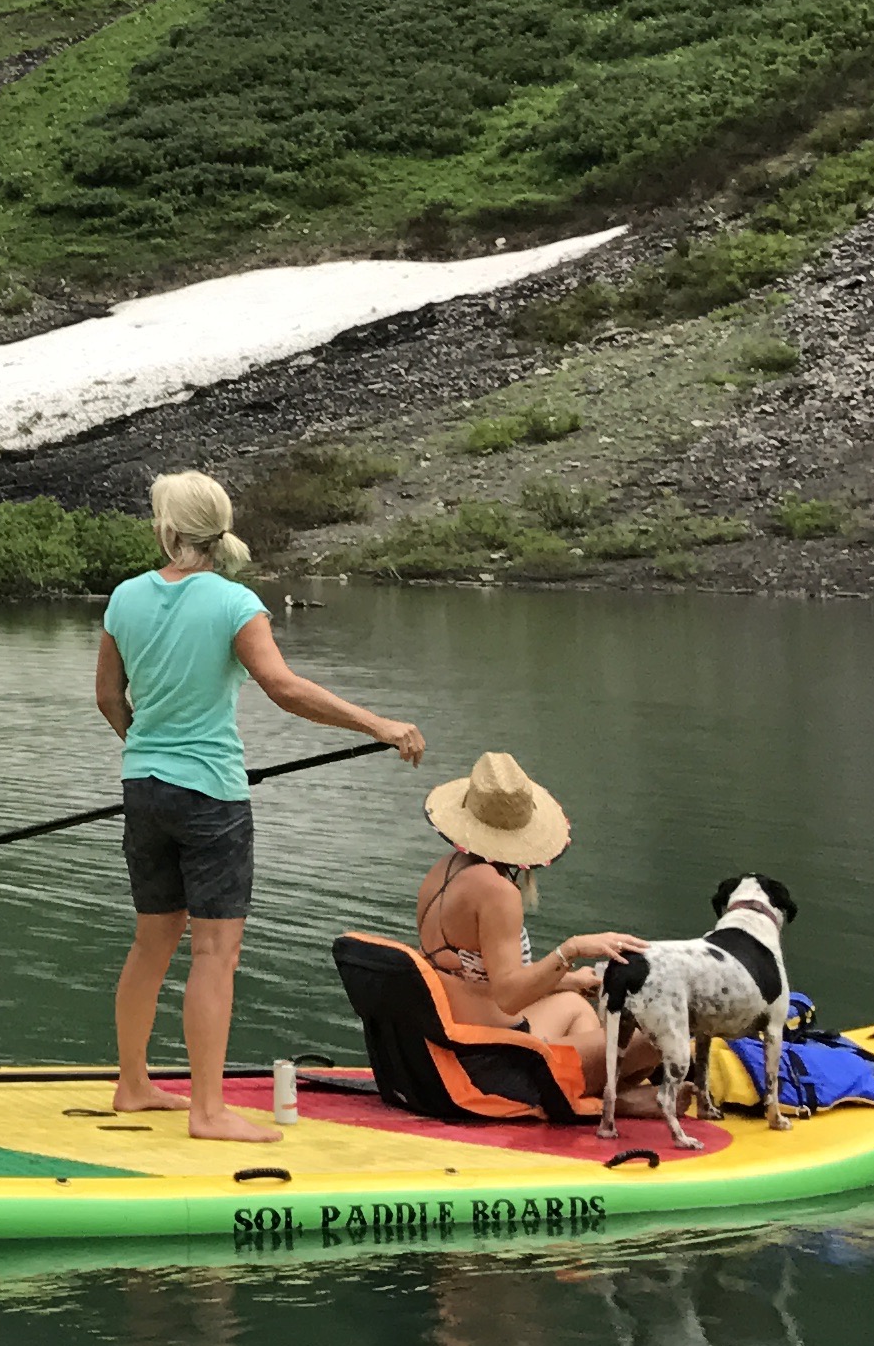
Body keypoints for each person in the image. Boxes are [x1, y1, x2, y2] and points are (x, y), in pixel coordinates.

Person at [99, 472, 422, 1141]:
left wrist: (149, 751)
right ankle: (208, 1112)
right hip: (211, 794)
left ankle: (132, 1084)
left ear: (167, 528)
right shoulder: (233, 603)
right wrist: (379, 724)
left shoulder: (126, 597)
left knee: (151, 942)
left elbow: (108, 697)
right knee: (215, 952)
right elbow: (282, 686)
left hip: (144, 788)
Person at [414, 750, 650, 1088]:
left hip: (450, 1027)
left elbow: (488, 978)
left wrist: (568, 979)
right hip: (486, 1050)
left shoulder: (444, 869)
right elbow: (509, 997)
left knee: (574, 1004)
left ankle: (608, 1099)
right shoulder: (498, 891)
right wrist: (570, 950)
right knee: (655, 1038)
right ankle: (597, 1098)